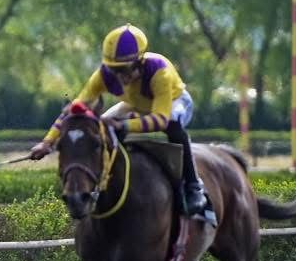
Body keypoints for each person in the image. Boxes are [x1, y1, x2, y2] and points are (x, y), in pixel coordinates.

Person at [29, 24, 217, 225]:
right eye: (114, 69)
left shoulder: (159, 71)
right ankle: (108, 184)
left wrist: (125, 126)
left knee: (172, 126)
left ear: (140, 62)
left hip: (174, 103)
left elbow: (160, 119)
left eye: (124, 69)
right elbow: (73, 112)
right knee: (101, 129)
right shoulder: (102, 75)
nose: (119, 77)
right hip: (134, 105)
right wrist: (47, 142)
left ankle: (193, 186)